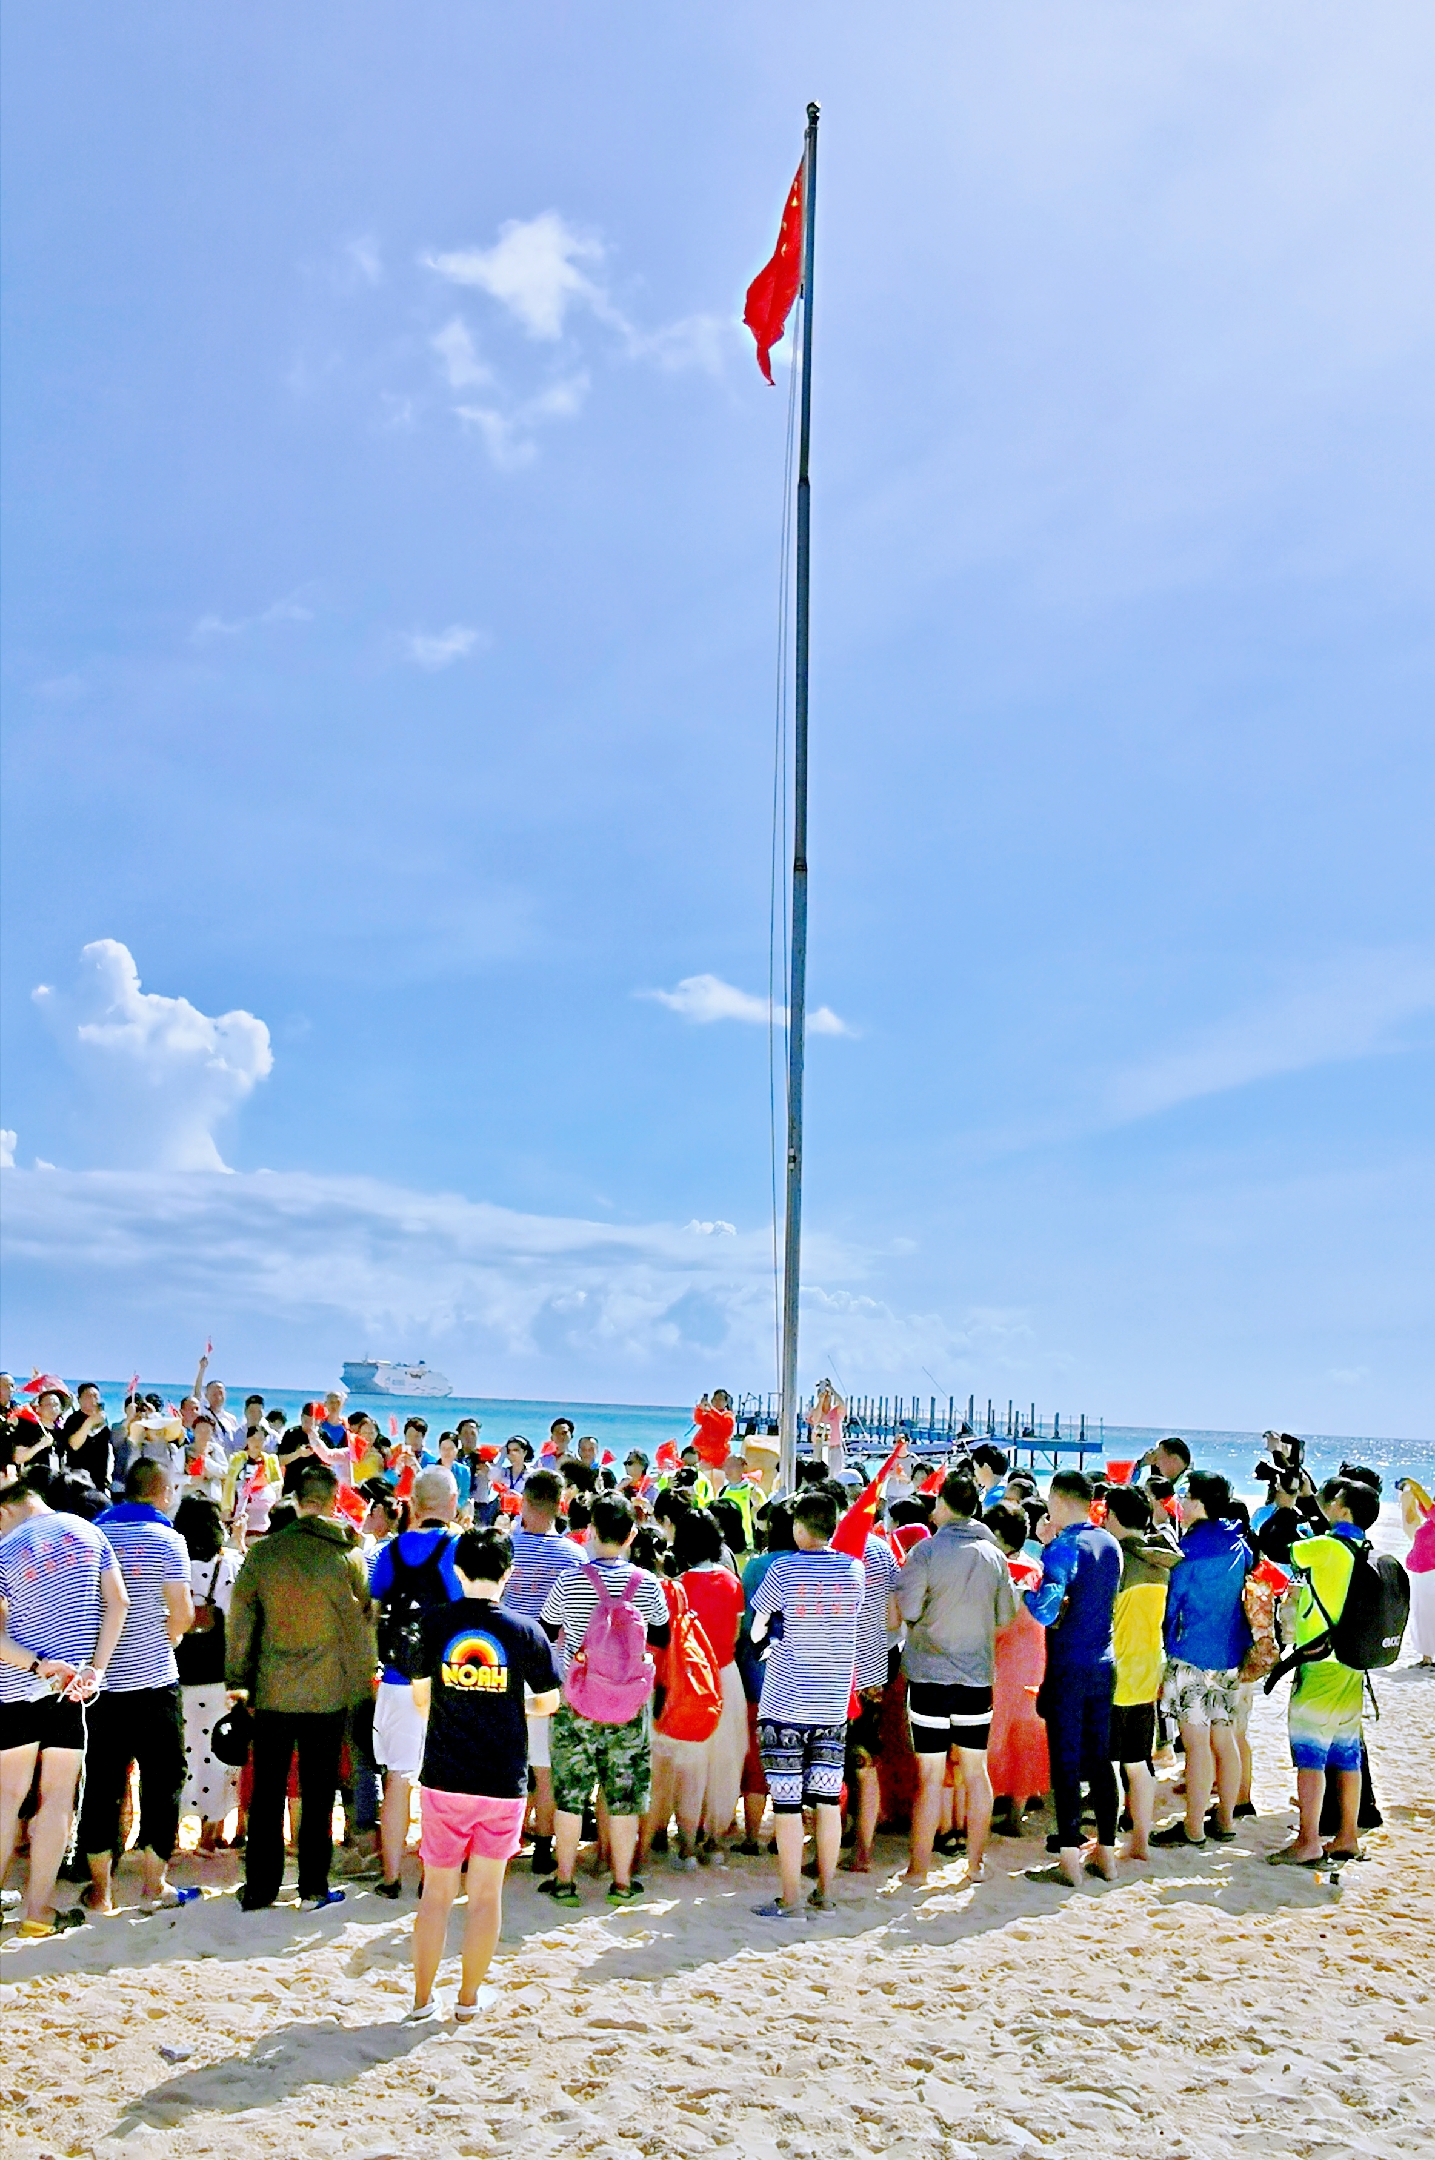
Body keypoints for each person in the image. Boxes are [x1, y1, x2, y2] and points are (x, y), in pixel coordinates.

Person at [406, 1527, 561, 2023]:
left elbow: (420, 1697)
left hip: (445, 1775)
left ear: (456, 1572)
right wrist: (516, 1703)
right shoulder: (525, 1630)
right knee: (486, 1895)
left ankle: (421, 2000)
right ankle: (468, 2000)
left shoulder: (435, 1624)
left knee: (437, 1893)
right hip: (501, 1780)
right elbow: (549, 1700)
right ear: (508, 1573)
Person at [226, 1460, 376, 1911]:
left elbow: (242, 1622)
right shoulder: (346, 1556)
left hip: (272, 1689)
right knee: (318, 1791)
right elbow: (361, 1628)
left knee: (269, 1792)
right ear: (333, 1503)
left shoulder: (264, 1553)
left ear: (294, 1500)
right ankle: (312, 1884)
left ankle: (261, 1887)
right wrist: (361, 1687)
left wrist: (238, 1680)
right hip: (328, 1692)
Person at [0, 1478, 129, 1937]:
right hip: (72, 1686)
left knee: (7, 1797)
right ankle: (37, 1912)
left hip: (16, 1687)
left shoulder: (4, 1550)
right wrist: (98, 1668)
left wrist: (36, 1664)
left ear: (6, 1511)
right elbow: (119, 1604)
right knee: (57, 1798)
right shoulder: (91, 1533)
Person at [538, 1493, 670, 1906]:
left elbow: (547, 1626)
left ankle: (564, 1881)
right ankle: (622, 1882)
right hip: (628, 1703)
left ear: (590, 1531)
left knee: (571, 1795)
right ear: (631, 1534)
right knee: (625, 1795)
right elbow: (663, 1635)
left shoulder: (571, 1580)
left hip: (577, 1699)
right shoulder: (647, 1584)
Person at [75, 1459, 193, 1913]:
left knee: (102, 1784)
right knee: (162, 1780)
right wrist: (166, 1637)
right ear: (162, 1493)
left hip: (100, 1680)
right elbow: (181, 1612)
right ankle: (152, 1884)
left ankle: (101, 1890)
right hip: (155, 1679)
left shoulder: (94, 1535)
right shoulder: (168, 1539)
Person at [891, 1470, 1015, 1886]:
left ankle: (919, 1868)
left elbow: (906, 1609)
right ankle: (975, 1865)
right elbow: (1005, 1615)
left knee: (929, 1777)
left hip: (929, 1675)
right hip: (976, 1677)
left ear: (942, 1503)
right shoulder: (994, 1555)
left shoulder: (925, 1552)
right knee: (976, 1772)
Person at [749, 1487, 864, 1917]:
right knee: (828, 1802)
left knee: (788, 1804)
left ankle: (791, 1896)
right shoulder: (854, 1571)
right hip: (832, 1703)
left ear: (800, 1527)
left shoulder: (784, 1569)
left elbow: (758, 1626)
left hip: (786, 1701)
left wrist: (776, 1631)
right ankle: (827, 1892)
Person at [1272, 1476, 1381, 1866]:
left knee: (1311, 1758)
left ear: (1343, 1509)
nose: (1325, 1501)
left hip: (1320, 1665)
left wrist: (1287, 1506)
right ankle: (1347, 1837)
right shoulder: (1362, 1547)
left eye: (1331, 1499)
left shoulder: (1326, 1547)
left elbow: (1279, 1547)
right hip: (1352, 1662)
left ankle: (1307, 1841)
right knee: (1348, 1755)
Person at [1023, 1471, 1122, 1887]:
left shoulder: (1063, 1548)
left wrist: (1024, 1590)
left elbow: (1045, 1611)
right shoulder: (1110, 1543)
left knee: (1065, 1759)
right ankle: (1107, 1853)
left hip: (1068, 1664)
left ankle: (1068, 1859)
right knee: (1100, 1759)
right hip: (1105, 1660)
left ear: (1057, 1501)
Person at [368, 1467, 463, 1896]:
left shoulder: (389, 1551)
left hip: (396, 1676)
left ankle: (390, 1877)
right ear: (450, 1502)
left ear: (414, 1503)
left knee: (398, 1779)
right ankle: (432, 1873)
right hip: (444, 1678)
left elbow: (373, 1609)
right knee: (441, 1783)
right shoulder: (457, 1547)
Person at [1154, 1470, 1253, 1848]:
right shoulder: (1238, 1541)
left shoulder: (1188, 1550)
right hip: (1228, 1653)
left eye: (1184, 1494)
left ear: (1197, 1501)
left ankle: (1194, 1826)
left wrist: (1164, 1643)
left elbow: (1171, 1606)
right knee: (1223, 1739)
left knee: (1196, 1746)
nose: (1179, 1500)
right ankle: (1225, 1820)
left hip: (1192, 1653)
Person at [502, 1468, 583, 1875]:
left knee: (505, 1757)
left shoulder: (507, 1547)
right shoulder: (573, 1555)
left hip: (505, 1664)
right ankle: (543, 1844)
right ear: (560, 1504)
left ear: (525, 1503)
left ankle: (504, 1836)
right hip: (551, 1665)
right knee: (544, 1763)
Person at [1104, 1483, 1182, 1861]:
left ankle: (1106, 1844)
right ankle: (1140, 1843)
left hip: (1117, 1668)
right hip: (1149, 1666)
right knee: (1138, 1762)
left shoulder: (1116, 1560)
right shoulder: (1160, 1561)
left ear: (1113, 1518)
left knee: (1108, 1762)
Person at [672, 1507, 747, 1859]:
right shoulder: (732, 1582)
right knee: (725, 1762)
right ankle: (714, 1839)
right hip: (726, 1675)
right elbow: (734, 1634)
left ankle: (686, 1844)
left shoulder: (680, 1586)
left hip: (691, 1680)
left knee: (689, 1763)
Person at [173, 1494, 242, 1852]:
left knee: (178, 1756)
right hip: (219, 1673)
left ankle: (169, 1830)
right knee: (217, 1754)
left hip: (177, 1670)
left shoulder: (172, 1561)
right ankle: (209, 1836)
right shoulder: (229, 1565)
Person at [982, 1502, 1049, 1838]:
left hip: (1002, 1658)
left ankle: (987, 1803)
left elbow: (995, 1622)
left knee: (994, 1735)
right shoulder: (1034, 1566)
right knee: (1027, 1735)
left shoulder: (1000, 1570)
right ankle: (1017, 1812)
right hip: (1034, 1657)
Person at [844, 1499, 901, 1874]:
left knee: (829, 1766)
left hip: (834, 1675)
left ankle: (830, 1849)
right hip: (872, 1669)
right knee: (866, 1762)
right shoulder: (883, 1551)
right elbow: (895, 1616)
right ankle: (864, 1851)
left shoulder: (833, 1551)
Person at [222, 1421, 282, 1549]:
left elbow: (278, 1482)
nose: (257, 1442)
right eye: (253, 1438)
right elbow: (229, 1484)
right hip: (241, 1506)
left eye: (260, 1439)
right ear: (248, 1440)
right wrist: (226, 1509)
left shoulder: (271, 1460)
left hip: (263, 1507)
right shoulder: (237, 1458)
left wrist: (263, 1484)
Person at [57, 1384, 115, 1496]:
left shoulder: (102, 1422)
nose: (93, 1400)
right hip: (77, 1479)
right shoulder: (73, 1419)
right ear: (79, 1400)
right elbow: (74, 1445)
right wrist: (89, 1423)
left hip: (99, 1480)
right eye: (89, 1396)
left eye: (96, 1396)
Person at [1400, 1478, 1435, 1664]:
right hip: (1422, 1572)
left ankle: (1429, 1656)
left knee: (1430, 1612)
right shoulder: (1431, 1521)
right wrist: (1411, 1492)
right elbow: (1424, 1507)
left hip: (1432, 1573)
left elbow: (1428, 1506)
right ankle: (1426, 1657)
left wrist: (1414, 1485)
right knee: (1422, 1613)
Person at [192, 1353, 239, 1443]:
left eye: (220, 1393)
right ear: (206, 1396)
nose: (218, 1397)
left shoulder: (231, 1419)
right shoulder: (203, 1412)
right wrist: (202, 1369)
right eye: (214, 1394)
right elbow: (196, 1394)